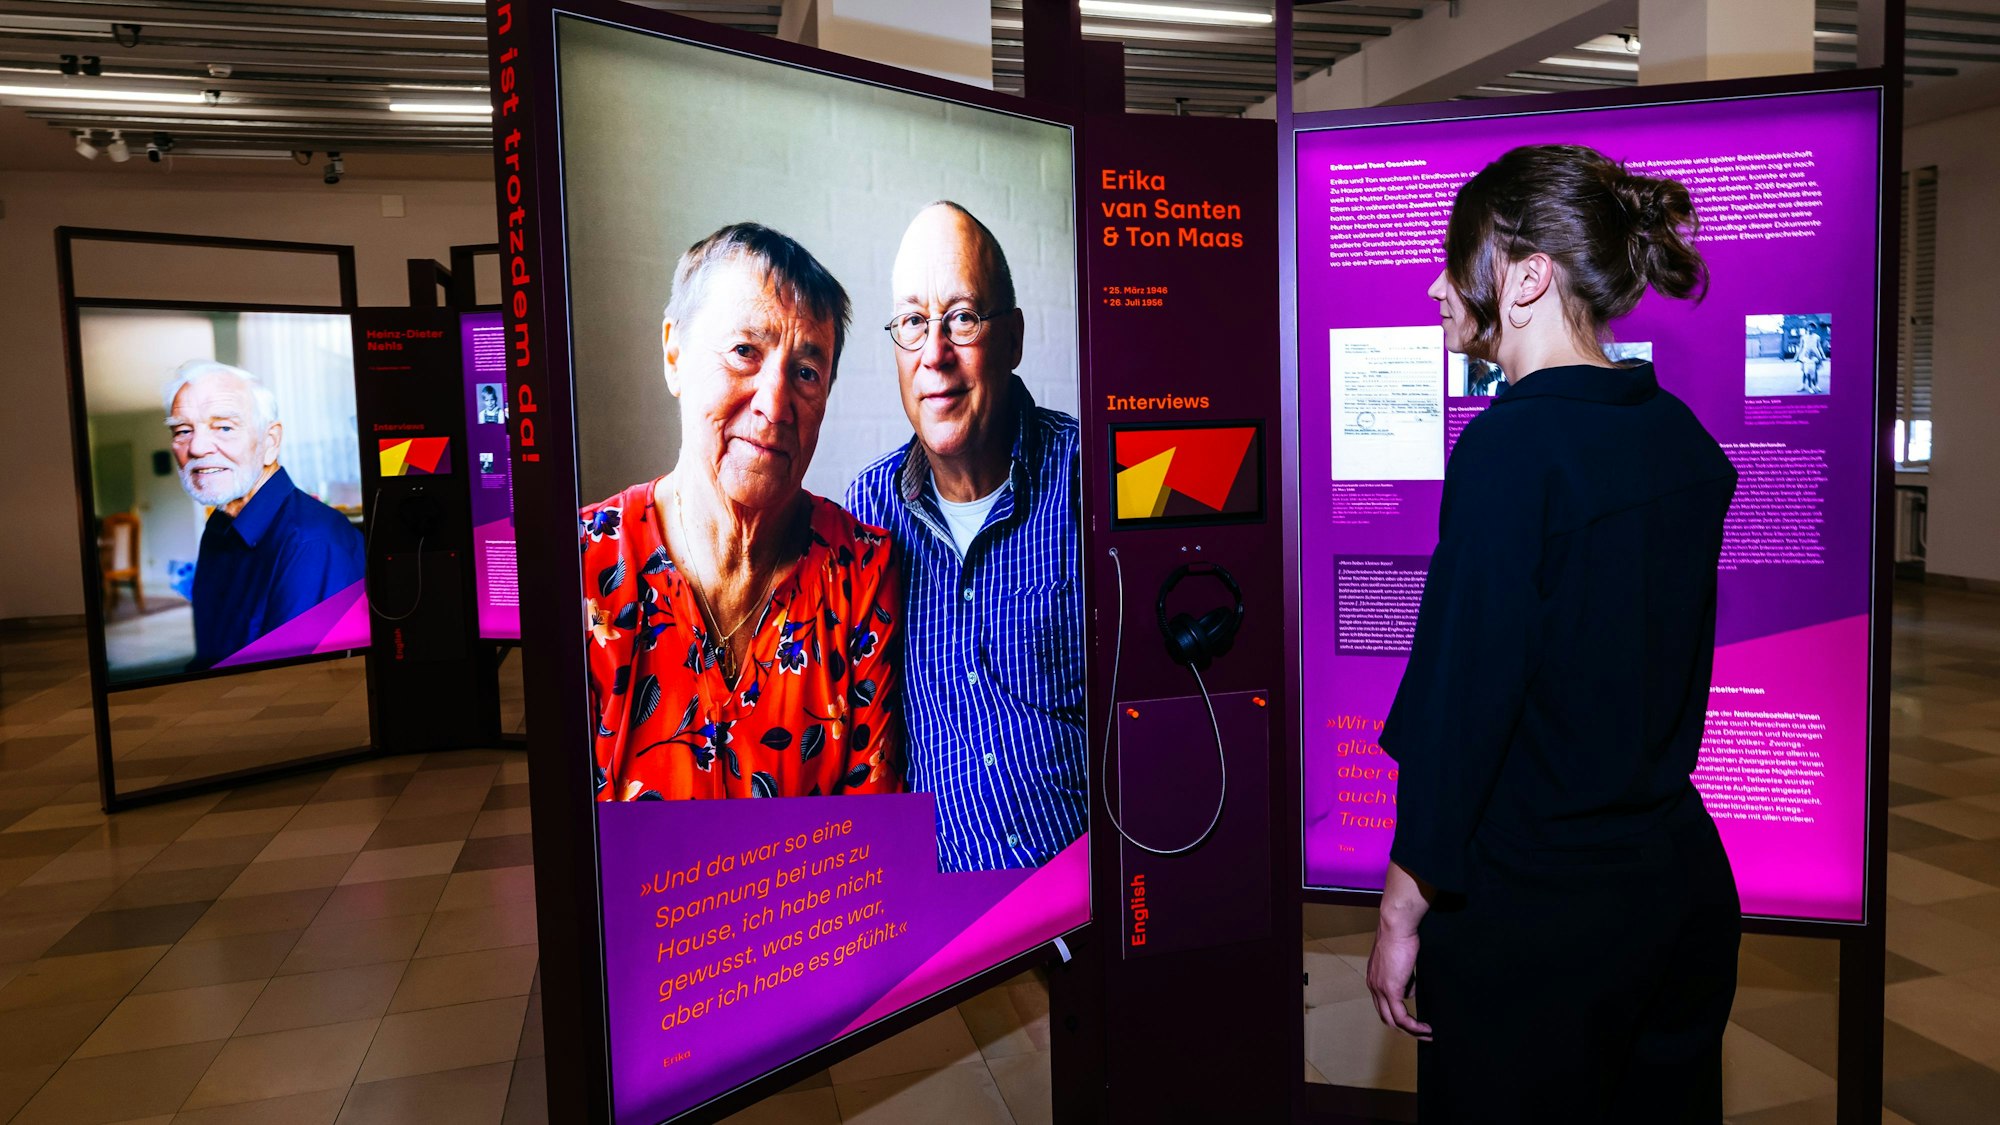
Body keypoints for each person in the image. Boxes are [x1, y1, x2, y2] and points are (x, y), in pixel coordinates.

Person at [1363, 144, 1741, 1123]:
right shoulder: (1680, 442)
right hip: (1673, 887)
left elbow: (1461, 704)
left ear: (1524, 277)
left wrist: (1403, 905)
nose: (1435, 284)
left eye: (1459, 257)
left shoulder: (1506, 452)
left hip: (1536, 915)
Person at [582, 222, 903, 802]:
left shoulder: (860, 572)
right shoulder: (586, 565)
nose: (775, 404)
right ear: (674, 355)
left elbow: (868, 836)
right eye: (744, 352)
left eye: (806, 372)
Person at [846, 202, 1085, 873]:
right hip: (955, 922)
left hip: (1090, 900)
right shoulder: (868, 511)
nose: (934, 354)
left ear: (1011, 340)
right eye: (914, 323)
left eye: (961, 317)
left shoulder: (1089, 478)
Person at [165, 361, 366, 671]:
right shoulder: (219, 527)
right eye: (183, 430)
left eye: (224, 427)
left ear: (270, 442)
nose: (198, 447)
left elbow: (299, 686)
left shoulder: (312, 543)